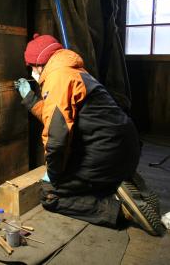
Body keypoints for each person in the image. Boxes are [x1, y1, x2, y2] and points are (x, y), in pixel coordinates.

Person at [15, 34, 164, 236]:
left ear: (39, 64)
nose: (32, 71)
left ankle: (121, 211)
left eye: (32, 66)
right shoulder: (74, 70)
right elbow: (60, 117)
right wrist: (31, 100)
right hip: (125, 149)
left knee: (50, 195)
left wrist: (54, 176)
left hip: (108, 154)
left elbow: (57, 139)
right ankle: (119, 180)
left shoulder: (58, 78)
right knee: (75, 167)